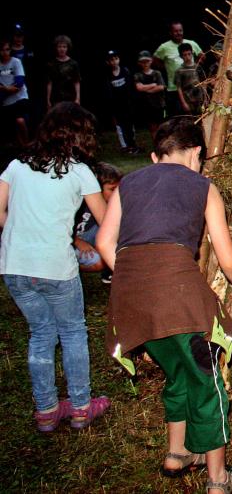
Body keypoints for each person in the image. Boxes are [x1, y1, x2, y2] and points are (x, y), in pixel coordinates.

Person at [97, 117, 232, 493]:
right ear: (197, 153)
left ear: (159, 155)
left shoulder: (128, 183)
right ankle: (218, 479)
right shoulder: (202, 185)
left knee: (177, 374)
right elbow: (226, 256)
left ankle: (177, 453)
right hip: (179, 297)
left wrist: (137, 277)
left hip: (132, 300)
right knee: (207, 382)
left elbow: (107, 242)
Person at [0, 102, 111, 432]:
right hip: (55, 266)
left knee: (41, 333)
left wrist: (20, 230)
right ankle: (80, 406)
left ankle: (46, 410)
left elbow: (0, 213)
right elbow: (105, 222)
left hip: (15, 265)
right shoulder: (80, 172)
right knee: (73, 332)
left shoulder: (17, 165)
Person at [73, 162, 122, 283]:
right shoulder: (78, 201)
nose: (117, 193)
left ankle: (111, 269)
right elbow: (57, 228)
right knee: (99, 262)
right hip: (68, 240)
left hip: (89, 234)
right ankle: (69, 266)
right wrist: (77, 241)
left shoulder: (112, 202)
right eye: (112, 189)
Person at [154, 22, 203, 116]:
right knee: (179, 116)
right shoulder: (164, 47)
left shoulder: (191, 43)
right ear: (170, 33)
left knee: (197, 115)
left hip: (192, 89)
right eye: (175, 31)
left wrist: (194, 66)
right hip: (173, 89)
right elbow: (155, 60)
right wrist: (167, 68)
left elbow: (202, 56)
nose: (178, 33)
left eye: (180, 30)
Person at [103, 51, 139, 154]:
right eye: (111, 60)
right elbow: (107, 91)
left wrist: (131, 101)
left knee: (130, 124)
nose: (114, 62)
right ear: (108, 62)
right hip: (115, 105)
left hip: (127, 103)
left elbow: (131, 87)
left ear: (119, 59)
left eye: (116, 59)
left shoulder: (125, 71)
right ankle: (124, 146)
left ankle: (133, 144)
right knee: (120, 126)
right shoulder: (107, 75)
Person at [0, 38, 30, 147]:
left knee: (20, 120)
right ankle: (21, 147)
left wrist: (5, 89)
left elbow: (19, 83)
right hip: (5, 100)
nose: (5, 52)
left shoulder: (16, 62)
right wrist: (8, 90)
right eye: (2, 50)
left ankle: (27, 144)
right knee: (12, 125)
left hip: (19, 96)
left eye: (7, 49)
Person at [133, 50, 166, 142]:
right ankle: (156, 145)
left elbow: (161, 87)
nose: (145, 63)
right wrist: (153, 85)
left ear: (151, 61)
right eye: (143, 62)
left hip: (159, 104)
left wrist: (146, 89)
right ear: (139, 63)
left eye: (147, 61)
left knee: (162, 127)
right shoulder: (138, 75)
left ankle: (163, 144)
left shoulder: (157, 73)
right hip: (146, 105)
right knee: (152, 127)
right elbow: (139, 88)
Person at [46, 35, 82, 109]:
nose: (62, 49)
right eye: (59, 46)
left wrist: (78, 98)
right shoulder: (51, 64)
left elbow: (76, 81)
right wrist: (48, 100)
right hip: (56, 98)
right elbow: (49, 82)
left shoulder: (73, 63)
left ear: (67, 48)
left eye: (64, 47)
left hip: (70, 97)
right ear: (56, 48)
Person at [174, 44, 207, 116]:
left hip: (200, 99)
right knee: (190, 120)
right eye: (185, 55)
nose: (187, 57)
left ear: (192, 54)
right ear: (181, 56)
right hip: (188, 99)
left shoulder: (198, 67)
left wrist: (205, 99)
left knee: (202, 119)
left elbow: (204, 83)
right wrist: (184, 103)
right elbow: (179, 88)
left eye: (189, 54)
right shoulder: (179, 71)